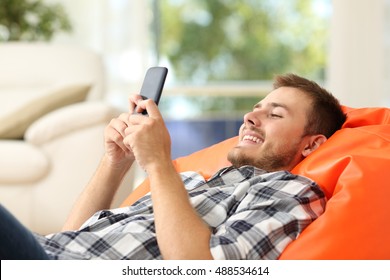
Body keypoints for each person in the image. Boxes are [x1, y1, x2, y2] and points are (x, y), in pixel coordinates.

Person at [0, 73, 346, 260]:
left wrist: (158, 163)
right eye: (256, 108)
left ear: (311, 143)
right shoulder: (194, 181)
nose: (250, 117)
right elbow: (70, 237)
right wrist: (115, 161)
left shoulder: (290, 191)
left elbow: (202, 269)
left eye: (274, 114)